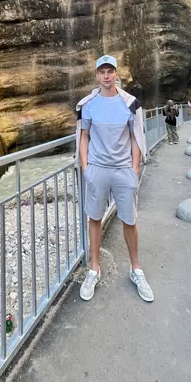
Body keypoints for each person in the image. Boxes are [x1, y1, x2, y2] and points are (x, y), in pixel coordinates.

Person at [76, 55, 154, 303]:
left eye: (110, 71)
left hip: (123, 170)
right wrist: (86, 168)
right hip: (97, 168)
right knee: (94, 218)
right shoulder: (88, 105)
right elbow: (84, 136)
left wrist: (134, 169)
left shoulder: (129, 103)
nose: (106, 75)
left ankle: (136, 269)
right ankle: (94, 269)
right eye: (102, 72)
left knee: (129, 220)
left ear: (116, 74)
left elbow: (135, 136)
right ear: (97, 76)